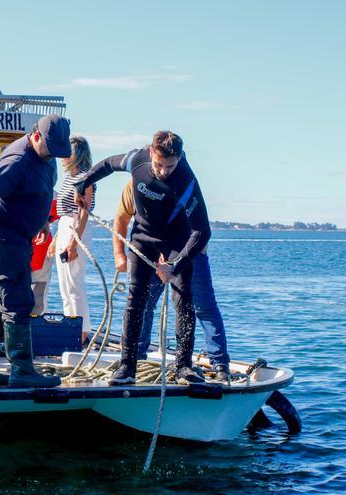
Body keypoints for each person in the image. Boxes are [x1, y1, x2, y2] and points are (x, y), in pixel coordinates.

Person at [75, 130, 210, 385]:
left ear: (179, 159)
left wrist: (176, 265)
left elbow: (202, 232)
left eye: (169, 166)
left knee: (183, 299)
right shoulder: (137, 159)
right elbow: (106, 165)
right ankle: (127, 366)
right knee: (135, 298)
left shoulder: (186, 181)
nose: (163, 171)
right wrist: (83, 184)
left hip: (176, 240)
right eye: (159, 165)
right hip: (143, 237)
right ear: (151, 153)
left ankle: (184, 366)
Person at [0, 114, 72, 388]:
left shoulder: (46, 157)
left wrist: (43, 223)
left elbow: (42, 192)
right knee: (18, 299)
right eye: (50, 149)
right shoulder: (16, 160)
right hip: (2, 234)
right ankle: (22, 369)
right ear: (36, 135)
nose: (53, 156)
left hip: (20, 233)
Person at [115, 177, 232, 382]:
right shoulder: (135, 183)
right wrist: (119, 255)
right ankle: (137, 358)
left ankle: (219, 362)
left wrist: (179, 260)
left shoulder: (186, 183)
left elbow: (200, 227)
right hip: (153, 253)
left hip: (189, 253)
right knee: (143, 304)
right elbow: (122, 217)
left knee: (203, 307)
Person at [52, 136, 95, 342]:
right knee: (64, 284)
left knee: (74, 282)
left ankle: (82, 331)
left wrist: (73, 243)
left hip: (76, 227)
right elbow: (64, 214)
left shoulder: (86, 178)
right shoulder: (70, 178)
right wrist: (56, 239)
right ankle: (71, 328)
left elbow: (84, 212)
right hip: (65, 225)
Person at [30, 200, 59, 315]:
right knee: (38, 296)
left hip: (39, 250)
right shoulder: (48, 190)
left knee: (38, 295)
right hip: (37, 249)